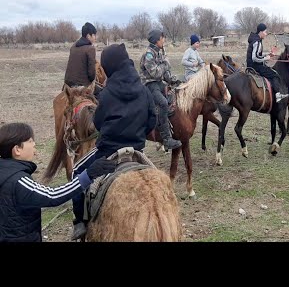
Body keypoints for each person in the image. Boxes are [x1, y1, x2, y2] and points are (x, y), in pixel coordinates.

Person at [70, 43, 157, 240]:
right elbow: (153, 120)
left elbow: (98, 123)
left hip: (107, 153)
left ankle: (80, 222)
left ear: (111, 67)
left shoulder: (107, 94)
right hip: (137, 151)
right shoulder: (144, 91)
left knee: (77, 172)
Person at [0, 122, 115, 242]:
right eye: (30, 141)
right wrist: (88, 174)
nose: (34, 144)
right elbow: (53, 195)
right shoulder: (18, 181)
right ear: (17, 150)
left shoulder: (5, 172)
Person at [139, 29, 182, 150]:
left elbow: (165, 73)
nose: (164, 40)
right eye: (162, 38)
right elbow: (156, 73)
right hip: (149, 84)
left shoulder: (159, 52)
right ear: (157, 40)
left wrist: (173, 80)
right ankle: (166, 139)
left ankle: (163, 126)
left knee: (173, 97)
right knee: (163, 103)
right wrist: (165, 64)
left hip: (158, 83)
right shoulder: (149, 54)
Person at [246, 23, 289, 103]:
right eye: (265, 32)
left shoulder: (254, 40)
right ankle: (278, 95)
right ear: (261, 32)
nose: (266, 34)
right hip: (255, 66)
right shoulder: (257, 42)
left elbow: (257, 55)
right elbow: (254, 58)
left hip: (252, 65)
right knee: (274, 74)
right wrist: (267, 58)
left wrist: (267, 54)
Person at [64, 22, 101, 96]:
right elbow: (91, 75)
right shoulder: (90, 49)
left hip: (67, 83)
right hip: (81, 86)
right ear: (88, 36)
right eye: (94, 35)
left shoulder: (73, 46)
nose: (95, 38)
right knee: (102, 93)